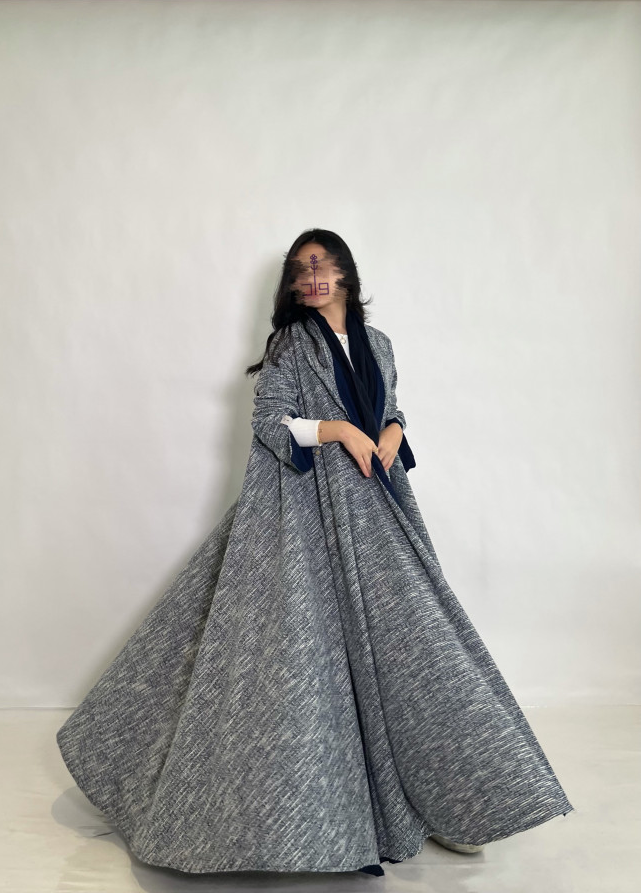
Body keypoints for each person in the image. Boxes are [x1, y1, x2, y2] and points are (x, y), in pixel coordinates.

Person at [56, 229, 573, 877]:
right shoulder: (289, 347)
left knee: (422, 651)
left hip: (379, 508)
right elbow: (270, 422)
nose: (312, 277)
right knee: (293, 657)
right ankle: (285, 814)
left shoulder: (380, 345)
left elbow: (393, 406)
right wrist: (338, 430)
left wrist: (392, 429)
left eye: (321, 264)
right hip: (307, 515)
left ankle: (457, 803)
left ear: (346, 272)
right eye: (301, 270)